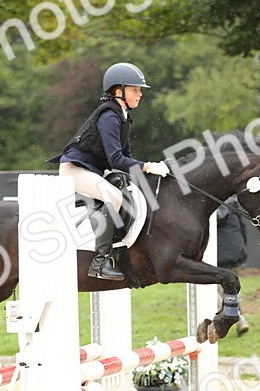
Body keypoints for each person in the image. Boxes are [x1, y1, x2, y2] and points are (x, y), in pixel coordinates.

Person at [48, 62, 171, 281]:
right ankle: (99, 262)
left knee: (127, 190)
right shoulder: (109, 116)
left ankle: (116, 251)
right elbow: (116, 160)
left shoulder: (123, 116)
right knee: (114, 197)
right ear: (118, 91)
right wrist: (149, 166)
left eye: (139, 90)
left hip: (93, 169)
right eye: (135, 89)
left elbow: (126, 157)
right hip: (75, 170)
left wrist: (146, 170)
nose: (140, 94)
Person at [216, 196, 251, 335]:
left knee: (216, 289)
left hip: (219, 254)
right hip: (235, 252)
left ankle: (237, 317)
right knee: (231, 287)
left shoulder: (215, 209)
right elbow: (243, 229)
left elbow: (216, 219)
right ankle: (238, 315)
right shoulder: (234, 203)